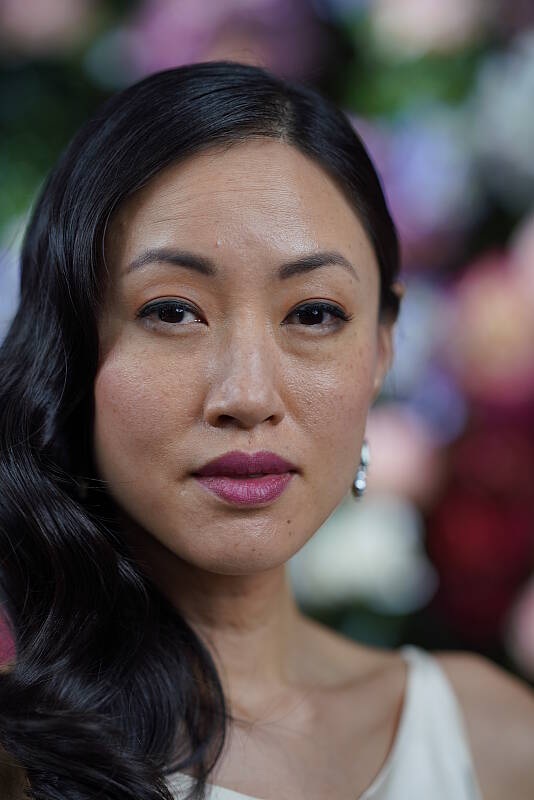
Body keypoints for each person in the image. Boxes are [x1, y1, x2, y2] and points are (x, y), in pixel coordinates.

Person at [0, 59, 533, 800]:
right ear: (69, 342)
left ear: (383, 349)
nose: (247, 395)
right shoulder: (19, 755)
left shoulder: (495, 741)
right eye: (172, 311)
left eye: (314, 313)